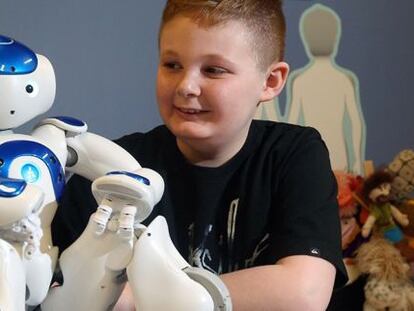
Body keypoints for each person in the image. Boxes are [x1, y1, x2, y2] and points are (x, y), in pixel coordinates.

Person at [52, 0, 347, 310]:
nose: (186, 86)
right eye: (172, 65)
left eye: (213, 70)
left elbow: (304, 293)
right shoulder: (108, 170)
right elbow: (65, 294)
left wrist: (141, 298)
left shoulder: (295, 154)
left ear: (270, 81)